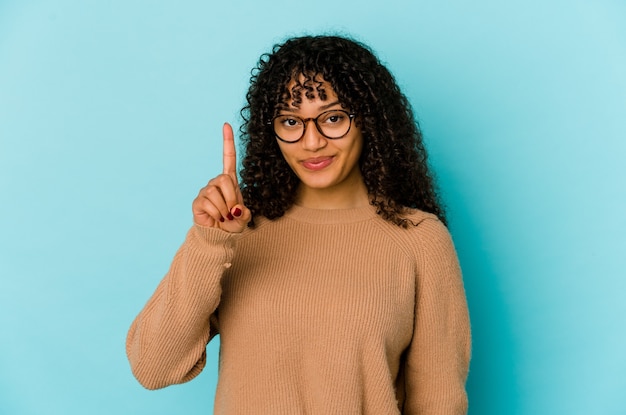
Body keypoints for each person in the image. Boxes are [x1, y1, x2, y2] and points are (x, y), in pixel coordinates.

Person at [126, 34, 471, 414]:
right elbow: (153, 366)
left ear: (368, 122)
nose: (311, 142)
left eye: (333, 118)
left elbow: (439, 403)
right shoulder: (236, 234)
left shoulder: (420, 240)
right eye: (291, 121)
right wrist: (209, 242)